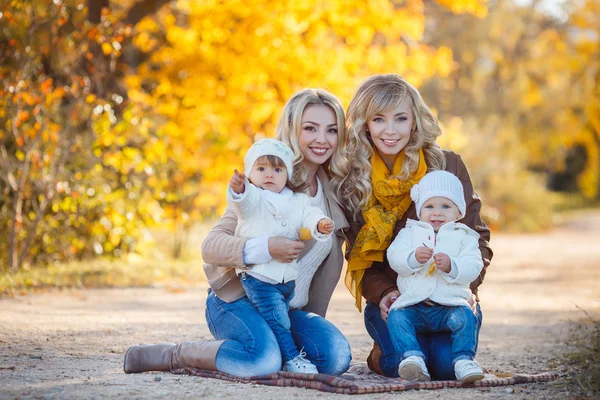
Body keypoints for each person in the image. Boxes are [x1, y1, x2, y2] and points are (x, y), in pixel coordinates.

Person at [124, 88, 352, 378]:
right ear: (293, 130)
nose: (322, 139)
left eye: (331, 130)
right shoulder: (264, 180)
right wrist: (267, 247)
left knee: (335, 357)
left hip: (287, 309)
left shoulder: (333, 194)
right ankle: (174, 353)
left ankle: (273, 348)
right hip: (238, 302)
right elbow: (212, 246)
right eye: (310, 128)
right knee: (261, 361)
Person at [341, 74, 492, 380]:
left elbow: (477, 239)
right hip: (398, 299)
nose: (390, 130)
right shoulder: (354, 179)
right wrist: (384, 293)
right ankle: (384, 351)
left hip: (447, 296)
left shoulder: (446, 166)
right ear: (365, 124)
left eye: (400, 118)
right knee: (401, 363)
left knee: (445, 368)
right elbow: (358, 256)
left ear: (414, 121)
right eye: (379, 119)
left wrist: (468, 288)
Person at [227, 138, 334, 373]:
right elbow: (242, 204)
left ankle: (260, 341)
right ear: (249, 173)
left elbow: (310, 214)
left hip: (287, 280)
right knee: (278, 320)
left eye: (277, 169)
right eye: (261, 168)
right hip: (259, 276)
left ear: (287, 174)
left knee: (275, 317)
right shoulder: (254, 197)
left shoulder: (298, 199)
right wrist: (239, 189)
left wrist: (320, 223)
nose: (269, 175)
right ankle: (291, 359)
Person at [386, 170, 485, 382]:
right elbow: (394, 257)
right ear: (419, 210)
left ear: (459, 212)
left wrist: (452, 266)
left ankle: (463, 360)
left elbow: (474, 265)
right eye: (429, 206)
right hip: (415, 305)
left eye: (445, 207)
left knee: (465, 317)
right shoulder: (409, 232)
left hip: (449, 305)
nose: (437, 213)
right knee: (397, 317)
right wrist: (412, 259)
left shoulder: (464, 236)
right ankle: (412, 358)